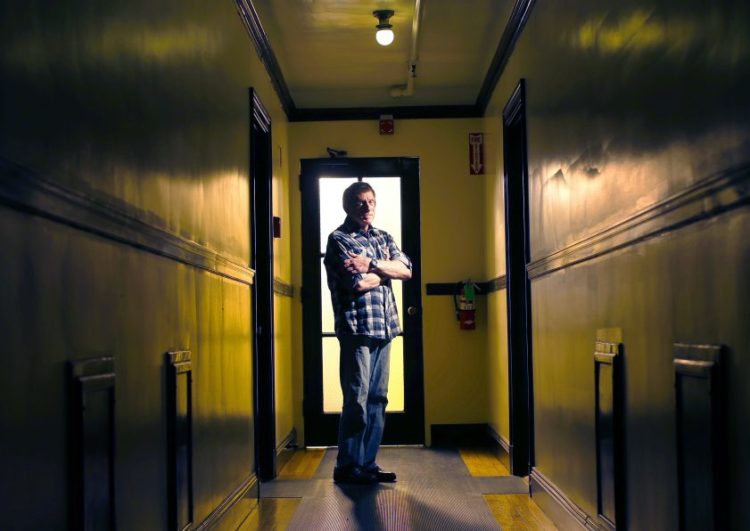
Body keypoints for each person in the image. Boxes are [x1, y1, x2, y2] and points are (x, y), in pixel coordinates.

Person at [324, 181, 412, 485]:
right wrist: (386, 272)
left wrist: (373, 263)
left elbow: (407, 271)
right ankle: (347, 466)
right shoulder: (338, 239)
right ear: (348, 206)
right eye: (361, 203)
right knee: (357, 399)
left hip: (385, 328)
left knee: (378, 398)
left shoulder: (383, 236)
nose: (367, 208)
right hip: (357, 329)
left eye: (371, 202)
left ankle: (367, 464)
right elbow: (358, 283)